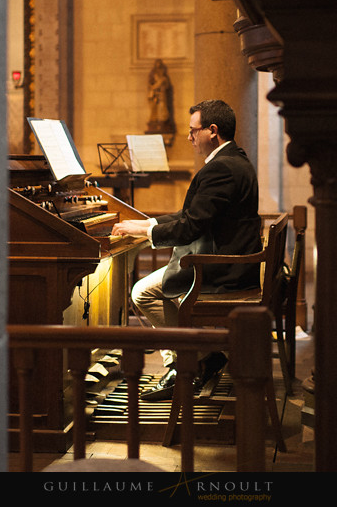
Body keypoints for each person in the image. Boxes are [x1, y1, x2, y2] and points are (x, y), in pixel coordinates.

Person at [111, 99, 263, 400]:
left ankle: (199, 358)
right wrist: (146, 224)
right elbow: (192, 215)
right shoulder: (234, 159)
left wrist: (147, 233)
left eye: (193, 130)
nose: (189, 137)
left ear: (212, 131)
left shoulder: (221, 169)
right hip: (230, 260)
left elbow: (191, 226)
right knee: (161, 288)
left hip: (221, 268)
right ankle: (188, 362)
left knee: (142, 292)